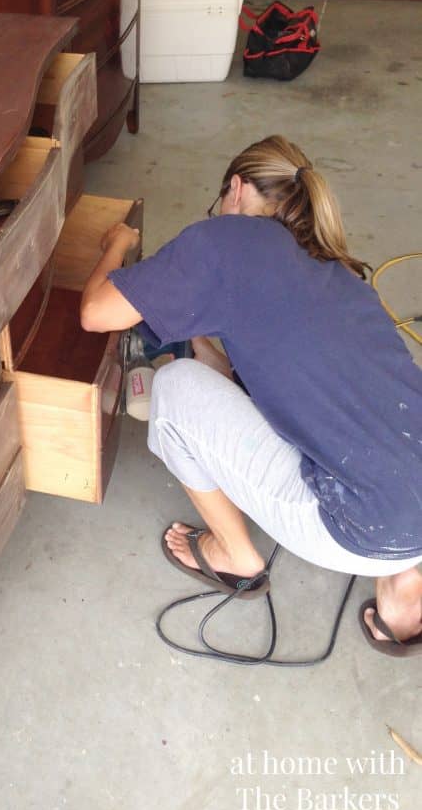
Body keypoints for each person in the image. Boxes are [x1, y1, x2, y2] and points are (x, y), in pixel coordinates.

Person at [80, 135, 422, 657]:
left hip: (355, 529)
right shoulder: (340, 272)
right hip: (406, 499)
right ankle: (404, 595)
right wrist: (196, 341)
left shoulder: (226, 238)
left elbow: (95, 314)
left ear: (234, 191)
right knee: (379, 457)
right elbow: (271, 381)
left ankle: (236, 557)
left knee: (173, 392)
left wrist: (117, 245)